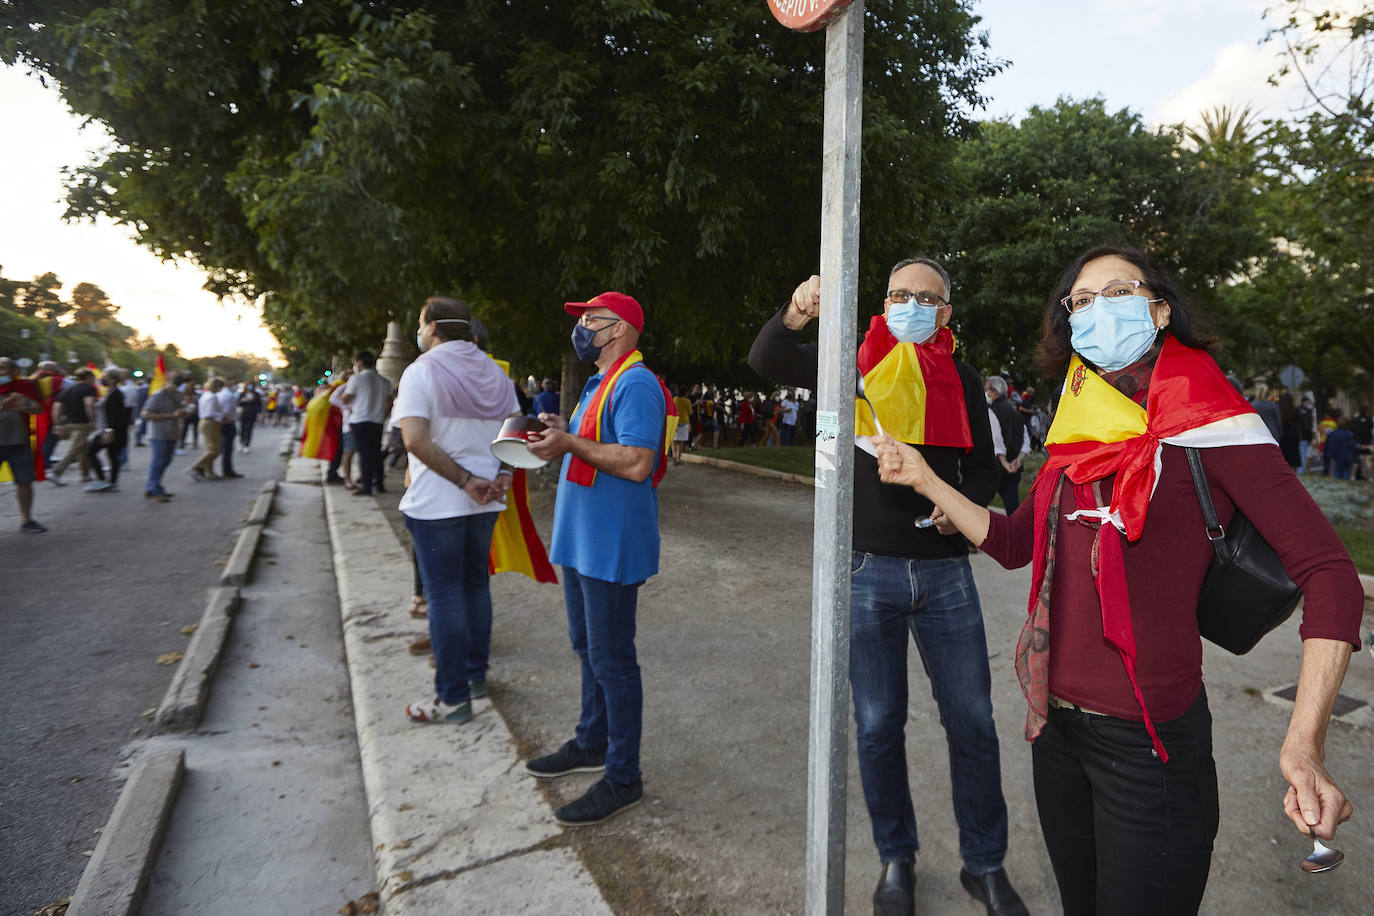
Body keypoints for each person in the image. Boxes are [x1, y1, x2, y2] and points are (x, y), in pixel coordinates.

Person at [875, 245, 1361, 916]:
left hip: (1150, 753)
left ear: (1159, 310)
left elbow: (1331, 573)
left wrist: (1305, 741)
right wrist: (923, 478)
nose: (1097, 309)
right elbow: (1016, 543)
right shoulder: (1078, 425)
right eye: (1080, 300)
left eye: (1117, 292)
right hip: (1057, 736)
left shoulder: (1211, 420)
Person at [749, 261, 1025, 916]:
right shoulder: (853, 361)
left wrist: (954, 504)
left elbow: (984, 469)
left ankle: (984, 865)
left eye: (926, 299)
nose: (911, 305)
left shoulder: (959, 375)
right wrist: (797, 310)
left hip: (946, 572)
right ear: (883, 301)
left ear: (945, 313)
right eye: (900, 295)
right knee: (877, 725)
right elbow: (768, 357)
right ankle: (895, 859)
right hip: (865, 571)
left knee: (975, 725)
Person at [523, 290, 670, 828]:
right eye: (581, 320)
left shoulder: (635, 382)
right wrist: (564, 434)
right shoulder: (599, 382)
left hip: (609, 546)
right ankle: (591, 740)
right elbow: (593, 445)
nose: (582, 327)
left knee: (612, 658)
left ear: (621, 328)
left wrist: (568, 446)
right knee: (587, 647)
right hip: (583, 541)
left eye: (592, 320)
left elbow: (636, 461)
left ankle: (623, 777)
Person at [396, 296, 519, 725]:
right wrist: (501, 475)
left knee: (445, 596)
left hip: (438, 503)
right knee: (475, 589)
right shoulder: (495, 373)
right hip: (486, 503)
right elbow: (517, 432)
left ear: (432, 328)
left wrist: (466, 480)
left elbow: (414, 439)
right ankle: (474, 679)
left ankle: (451, 699)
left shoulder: (421, 371)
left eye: (419, 323)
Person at [0, 357, 49, 532]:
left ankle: (27, 520)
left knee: (24, 482)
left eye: (3, 369)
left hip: (19, 442)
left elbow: (38, 408)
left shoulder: (24, 386)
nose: (0, 372)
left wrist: (24, 404)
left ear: (13, 371)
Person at [342, 350, 393, 496]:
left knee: (364, 455)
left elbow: (346, 398)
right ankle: (380, 483)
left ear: (360, 362)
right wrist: (382, 416)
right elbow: (389, 402)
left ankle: (367, 486)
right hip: (377, 421)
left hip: (360, 420)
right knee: (376, 453)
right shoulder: (384, 381)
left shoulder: (356, 379)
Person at [141, 375, 190, 501]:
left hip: (172, 432)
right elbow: (145, 414)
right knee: (159, 461)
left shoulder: (179, 395)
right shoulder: (159, 395)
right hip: (158, 433)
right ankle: (154, 488)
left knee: (166, 461)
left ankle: (153, 486)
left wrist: (183, 412)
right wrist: (170, 415)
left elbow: (181, 409)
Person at [986, 375, 1029, 514]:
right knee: (1013, 509)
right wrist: (1018, 459)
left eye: (986, 389)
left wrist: (1004, 462)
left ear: (994, 392)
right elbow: (1025, 439)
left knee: (979, 509)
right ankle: (1016, 535)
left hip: (995, 467)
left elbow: (995, 438)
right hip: (1014, 467)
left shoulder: (990, 410)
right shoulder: (1016, 412)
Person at [49, 368, 99, 485]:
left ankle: (85, 474)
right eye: (92, 377)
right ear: (88, 377)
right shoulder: (89, 389)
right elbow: (89, 404)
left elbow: (56, 408)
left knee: (83, 448)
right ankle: (56, 472)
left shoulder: (67, 389)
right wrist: (93, 421)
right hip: (82, 423)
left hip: (67, 422)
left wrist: (57, 424)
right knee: (75, 448)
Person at [85, 369, 130, 493]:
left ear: (113, 380)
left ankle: (104, 481)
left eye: (105, 377)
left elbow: (117, 415)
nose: (102, 379)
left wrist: (110, 431)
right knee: (112, 456)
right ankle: (110, 482)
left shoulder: (116, 393)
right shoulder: (110, 392)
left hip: (110, 432)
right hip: (108, 430)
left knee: (91, 452)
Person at [187, 378, 224, 480]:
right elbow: (210, 413)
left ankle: (209, 471)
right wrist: (221, 416)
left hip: (204, 422)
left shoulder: (205, 395)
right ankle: (194, 468)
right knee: (214, 450)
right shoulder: (212, 397)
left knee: (210, 448)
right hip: (210, 422)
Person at [217, 378, 243, 478]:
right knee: (227, 449)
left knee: (225, 448)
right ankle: (227, 471)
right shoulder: (228, 395)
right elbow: (226, 412)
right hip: (227, 423)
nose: (235, 384)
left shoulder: (222, 394)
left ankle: (227, 469)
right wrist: (229, 420)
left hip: (224, 423)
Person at [238, 382, 263, 452]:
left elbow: (259, 404)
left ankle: (247, 445)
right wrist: (245, 400)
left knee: (249, 429)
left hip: (252, 413)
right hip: (243, 413)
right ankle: (241, 443)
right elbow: (239, 403)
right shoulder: (242, 394)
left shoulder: (256, 394)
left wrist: (259, 414)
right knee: (242, 429)